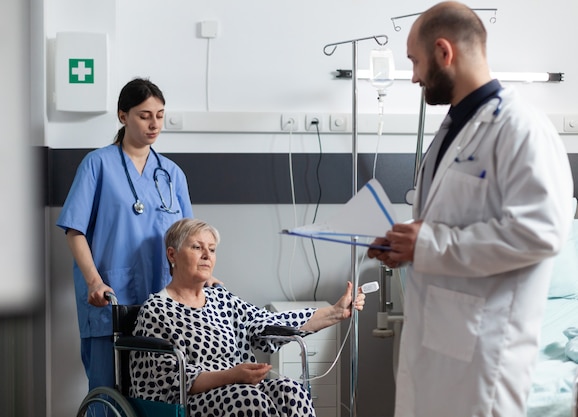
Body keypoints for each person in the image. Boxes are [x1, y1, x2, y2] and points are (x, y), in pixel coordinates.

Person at [366, 2, 574, 417]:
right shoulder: (452, 130)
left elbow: (541, 232)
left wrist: (428, 244)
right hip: (436, 342)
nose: (413, 76)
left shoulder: (521, 128)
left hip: (484, 350)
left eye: (415, 61)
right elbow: (452, 220)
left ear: (444, 53)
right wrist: (404, 243)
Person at [129, 218, 366, 417]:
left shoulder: (221, 299)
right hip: (188, 401)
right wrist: (232, 376)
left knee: (291, 391)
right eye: (197, 247)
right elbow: (171, 380)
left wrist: (336, 312)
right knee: (247, 397)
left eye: (211, 249)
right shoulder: (157, 310)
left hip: (239, 389)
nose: (206, 255)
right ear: (172, 254)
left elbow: (267, 324)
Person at [56, 78, 195, 394]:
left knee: (161, 391)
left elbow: (189, 238)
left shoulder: (172, 174)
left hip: (163, 303)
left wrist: (203, 276)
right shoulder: (97, 164)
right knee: (107, 389)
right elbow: (75, 230)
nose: (154, 123)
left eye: (160, 115)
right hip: (109, 298)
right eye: (145, 115)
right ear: (123, 116)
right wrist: (93, 281)